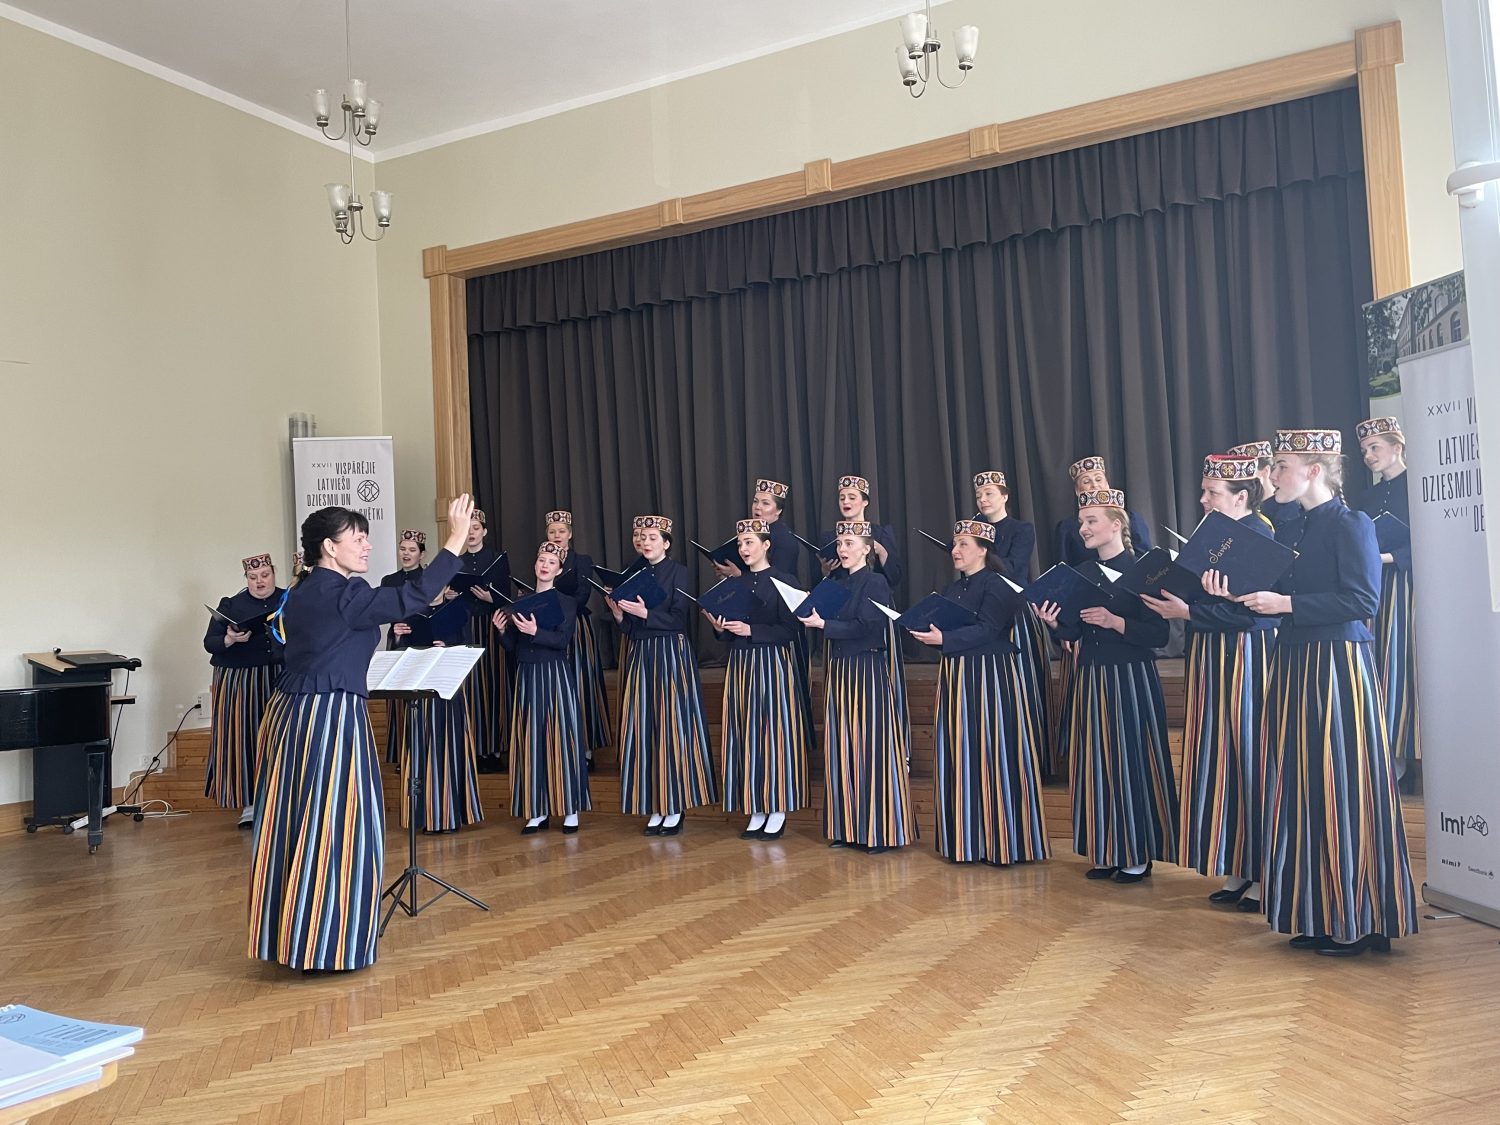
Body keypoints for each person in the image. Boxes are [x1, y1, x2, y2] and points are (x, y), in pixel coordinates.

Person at [249, 493, 474, 973]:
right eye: (358, 538)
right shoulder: (341, 593)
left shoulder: (303, 592)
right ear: (330, 547)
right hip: (329, 716)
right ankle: (326, 946)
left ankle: (294, 938)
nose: (368, 545)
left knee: (299, 825)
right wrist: (455, 539)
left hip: (293, 714)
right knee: (341, 826)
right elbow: (412, 597)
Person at [1230, 429, 1416, 956]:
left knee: (1342, 784)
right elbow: (1279, 594)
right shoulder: (1294, 526)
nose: (1273, 476)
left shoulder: (1350, 523)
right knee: (1302, 787)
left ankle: (1357, 918)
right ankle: (1316, 911)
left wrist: (1285, 604)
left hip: (1336, 666)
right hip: (1295, 664)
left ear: (1314, 471)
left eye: (1282, 466)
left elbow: (1361, 601)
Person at [1141, 456, 1276, 911]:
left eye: (1212, 492)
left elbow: (1252, 614)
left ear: (1241, 497)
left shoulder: (1259, 534)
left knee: (1250, 757)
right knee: (1222, 758)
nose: (1202, 499)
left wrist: (1189, 610)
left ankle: (1264, 870)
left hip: (1245, 659)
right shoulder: (1214, 535)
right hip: (1211, 656)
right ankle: (1239, 862)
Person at [1035, 488, 1177, 883]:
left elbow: (1160, 635)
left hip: (1131, 678)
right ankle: (1107, 848)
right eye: (1081, 522)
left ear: (1116, 525)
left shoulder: (1142, 569)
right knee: (1094, 761)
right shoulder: (1083, 572)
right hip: (1091, 677)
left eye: (1091, 521)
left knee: (1131, 762)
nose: (1083, 528)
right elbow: (1074, 630)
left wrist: (1116, 622)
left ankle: (1137, 854)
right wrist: (1055, 623)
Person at [912, 520, 1048, 865]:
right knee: (961, 754)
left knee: (994, 753)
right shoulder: (953, 588)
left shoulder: (997, 584)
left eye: (963, 545)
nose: (955, 551)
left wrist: (945, 638)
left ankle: (1003, 842)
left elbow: (989, 629)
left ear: (984, 550)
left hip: (990, 678)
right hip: (957, 676)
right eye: (955, 544)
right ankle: (967, 843)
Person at [801, 519, 916, 853]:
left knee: (872, 747)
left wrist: (824, 624)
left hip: (866, 669)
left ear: (867, 549)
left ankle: (880, 830)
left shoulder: (875, 582)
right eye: (839, 544)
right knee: (843, 747)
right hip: (840, 670)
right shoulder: (835, 582)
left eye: (849, 544)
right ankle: (847, 827)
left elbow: (869, 627)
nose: (842, 549)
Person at [703, 517, 812, 840]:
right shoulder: (734, 584)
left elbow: (790, 630)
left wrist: (752, 630)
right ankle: (755, 807)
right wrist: (720, 629)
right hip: (741, 664)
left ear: (766, 545)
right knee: (744, 733)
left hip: (771, 664)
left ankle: (777, 807)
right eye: (740, 544)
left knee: (772, 733)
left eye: (749, 542)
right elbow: (728, 632)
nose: (743, 549)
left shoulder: (784, 580)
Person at [609, 515, 717, 835]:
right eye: (642, 537)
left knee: (672, 726)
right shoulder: (633, 573)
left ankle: (675, 805)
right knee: (645, 727)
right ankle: (656, 804)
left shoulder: (679, 572)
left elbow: (679, 619)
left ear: (666, 543)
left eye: (653, 537)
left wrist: (645, 613)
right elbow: (630, 628)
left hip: (670, 653)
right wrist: (620, 616)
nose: (646, 542)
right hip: (641, 653)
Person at [494, 542, 586, 834]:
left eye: (551, 562)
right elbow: (512, 647)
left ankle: (570, 809)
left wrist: (536, 631)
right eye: (541, 560)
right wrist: (502, 631)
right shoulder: (520, 601)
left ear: (559, 570)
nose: (545, 565)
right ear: (535, 565)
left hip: (555, 672)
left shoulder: (566, 602)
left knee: (561, 739)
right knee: (530, 740)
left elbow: (562, 641)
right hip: (527, 673)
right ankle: (537, 810)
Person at [972, 469, 1051, 774]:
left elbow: (1015, 571)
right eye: (979, 495)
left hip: (1015, 611)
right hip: (983, 608)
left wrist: (980, 558)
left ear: (1004, 496)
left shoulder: (1021, 529)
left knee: (1023, 682)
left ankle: (1031, 757)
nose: (983, 499)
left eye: (989, 493)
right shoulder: (975, 528)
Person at [1356, 416, 1420, 779]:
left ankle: (1405, 752)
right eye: (1365, 450)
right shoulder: (1367, 497)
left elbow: (1427, 539)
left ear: (1397, 447)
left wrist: (1390, 557)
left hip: (1406, 586)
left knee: (1400, 662)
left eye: (1374, 447)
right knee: (1379, 660)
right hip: (1374, 585)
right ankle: (1382, 753)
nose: (1368, 455)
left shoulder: (1417, 488)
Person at [203, 553, 284, 828]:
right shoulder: (231, 604)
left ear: (273, 574)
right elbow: (210, 642)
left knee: (280, 738)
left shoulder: (289, 599)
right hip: (240, 681)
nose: (259, 582)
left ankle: (280, 801)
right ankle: (249, 804)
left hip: (279, 676)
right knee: (245, 738)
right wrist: (229, 638)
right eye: (253, 577)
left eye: (265, 575)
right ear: (246, 579)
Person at [547, 511, 610, 768]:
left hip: (576, 628)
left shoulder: (581, 560)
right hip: (550, 627)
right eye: (552, 531)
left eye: (561, 531)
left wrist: (555, 600)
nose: (557, 535)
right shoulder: (545, 558)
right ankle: (560, 747)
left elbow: (583, 594)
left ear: (570, 534)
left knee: (580, 683)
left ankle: (585, 750)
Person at [455, 508, 508, 772]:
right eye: (468, 528)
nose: (472, 533)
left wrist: (491, 598)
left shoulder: (496, 558)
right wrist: (452, 597)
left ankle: (495, 749)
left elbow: (508, 595)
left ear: (484, 531)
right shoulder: (457, 561)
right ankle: (472, 747)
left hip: (491, 626)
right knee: (471, 687)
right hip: (466, 627)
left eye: (476, 528)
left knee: (494, 683)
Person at [381, 529, 427, 766]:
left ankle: (425, 752)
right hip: (399, 641)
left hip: (423, 641)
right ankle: (403, 754)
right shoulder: (389, 581)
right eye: (402, 549)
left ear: (421, 554)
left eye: (412, 550)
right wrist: (395, 626)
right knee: (400, 700)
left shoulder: (427, 578)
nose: (406, 554)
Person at [1054, 457, 1153, 566]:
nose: (1094, 485)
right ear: (1077, 491)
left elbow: (1147, 561)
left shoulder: (1131, 519)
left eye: (1098, 479)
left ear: (1107, 484)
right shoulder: (1067, 527)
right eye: (1086, 481)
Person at [713, 478, 800, 577]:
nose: (757, 507)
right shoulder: (750, 534)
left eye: (765, 503)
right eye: (755, 501)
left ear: (778, 510)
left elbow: (779, 580)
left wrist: (738, 575)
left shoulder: (785, 540)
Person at [1228, 440, 1304, 534]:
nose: (1242, 482)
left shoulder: (1289, 510)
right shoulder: (1242, 509)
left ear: (1265, 471)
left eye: (1249, 473)